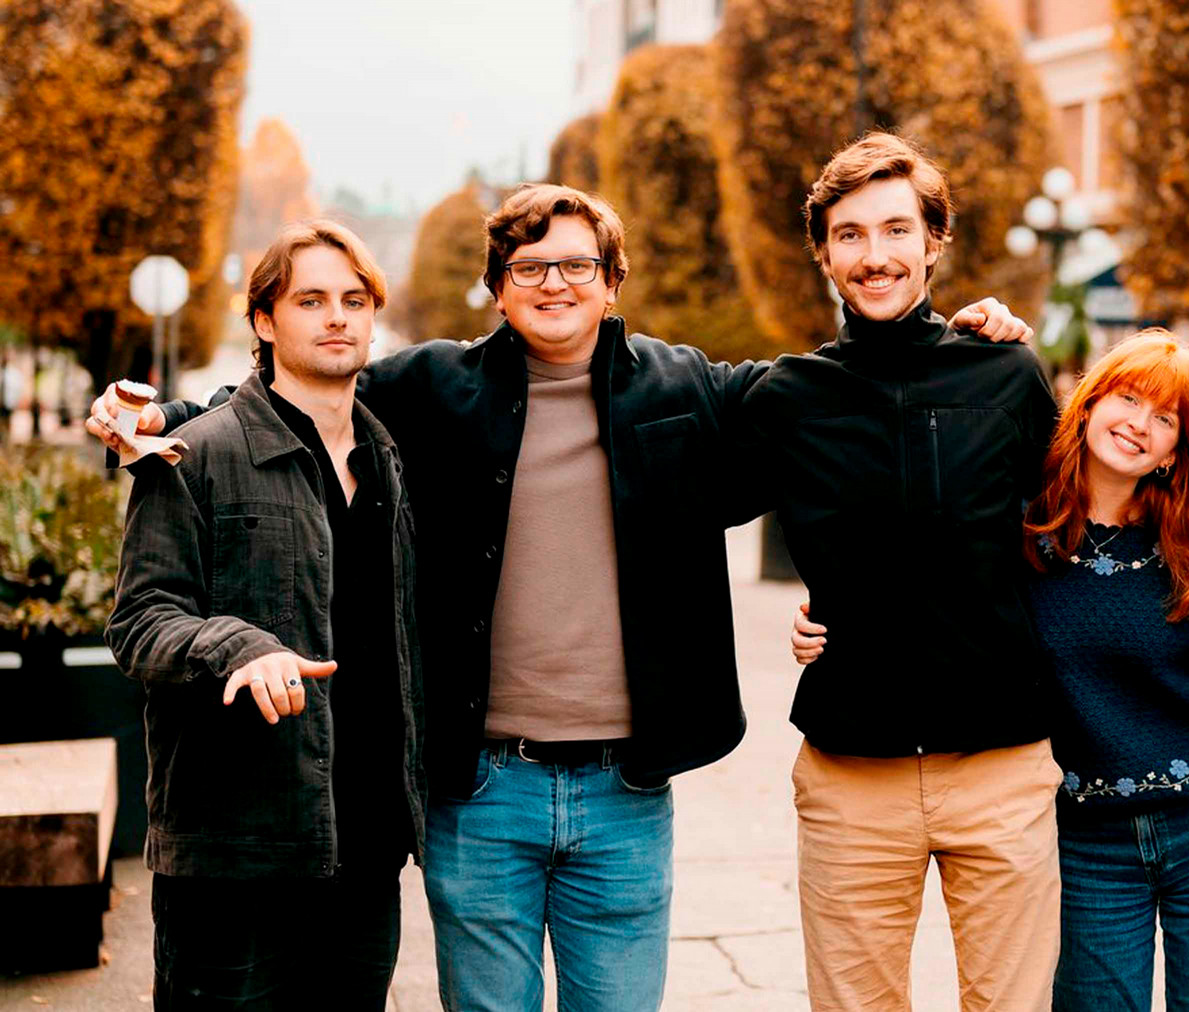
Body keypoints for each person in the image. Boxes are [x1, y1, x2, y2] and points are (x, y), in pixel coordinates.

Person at [89, 186, 1029, 1011]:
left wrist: (960, 339)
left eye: (578, 264)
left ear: (612, 282)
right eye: (529, 266)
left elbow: (850, 395)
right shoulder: (431, 388)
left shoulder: (688, 386)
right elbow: (301, 388)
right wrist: (163, 418)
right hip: (482, 790)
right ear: (497, 288)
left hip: (627, 790)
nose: (554, 283)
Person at [793, 331, 1189, 1012]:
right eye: (1129, 398)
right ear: (1087, 404)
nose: (1139, 424)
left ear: (1179, 448)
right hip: (1084, 836)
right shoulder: (1014, 522)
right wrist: (827, 621)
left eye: (1165, 418)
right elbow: (902, 550)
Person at [736, 132, 1061, 1011]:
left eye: (894, 230)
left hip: (1002, 766)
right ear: (824, 253)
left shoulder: (1007, 373)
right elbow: (676, 511)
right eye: (849, 236)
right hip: (851, 776)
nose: (874, 257)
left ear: (934, 241)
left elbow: (1073, 528)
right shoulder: (788, 397)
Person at [107, 221, 426, 1009]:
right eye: (311, 299)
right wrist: (237, 646)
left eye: (354, 300)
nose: (337, 318)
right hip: (233, 855)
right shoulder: (198, 453)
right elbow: (140, 619)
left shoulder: (391, 460)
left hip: (366, 845)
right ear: (263, 320)